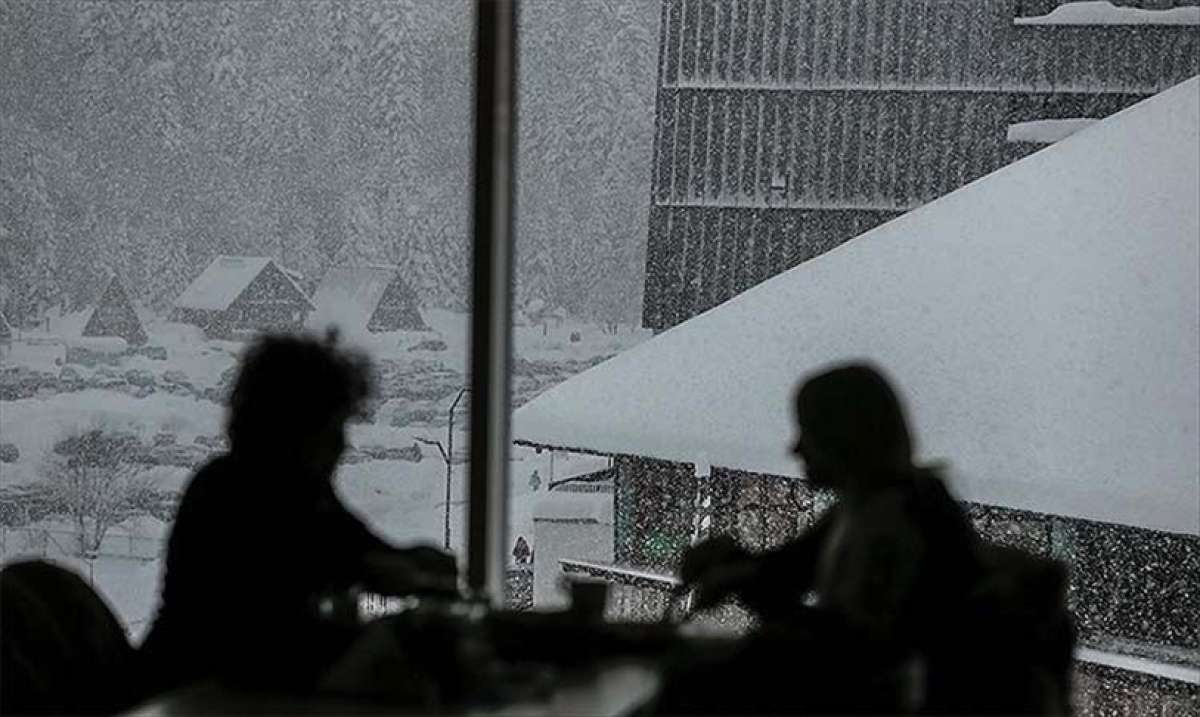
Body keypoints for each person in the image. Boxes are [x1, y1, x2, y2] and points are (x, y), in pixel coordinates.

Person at [660, 363, 1072, 714]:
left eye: (809, 431)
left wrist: (737, 588)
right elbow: (783, 576)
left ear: (845, 437)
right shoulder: (866, 506)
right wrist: (732, 564)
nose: (795, 447)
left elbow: (850, 655)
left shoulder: (901, 520)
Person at [138, 332, 457, 697]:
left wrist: (410, 562)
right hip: (190, 693)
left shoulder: (303, 492)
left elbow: (361, 549)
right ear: (293, 428)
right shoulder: (233, 495)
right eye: (332, 428)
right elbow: (273, 614)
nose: (343, 444)